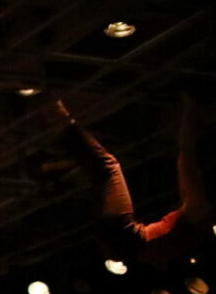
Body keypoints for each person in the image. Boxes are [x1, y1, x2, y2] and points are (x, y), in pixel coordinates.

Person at [43, 95, 210, 266]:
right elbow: (185, 159)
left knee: (108, 167)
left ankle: (55, 112)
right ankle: (52, 143)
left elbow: (186, 154)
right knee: (100, 171)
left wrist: (190, 107)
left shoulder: (198, 208)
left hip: (126, 239)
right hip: (122, 244)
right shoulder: (195, 221)